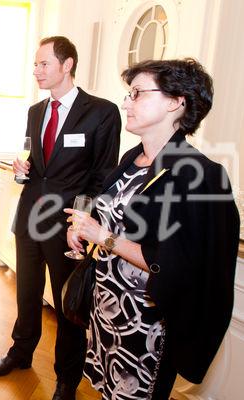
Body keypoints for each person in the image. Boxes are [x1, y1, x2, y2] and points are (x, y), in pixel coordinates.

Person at [65, 58, 240, 398]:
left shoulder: (198, 174)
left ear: (177, 102)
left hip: (147, 327)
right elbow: (115, 214)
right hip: (108, 309)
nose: (126, 102)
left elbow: (173, 264)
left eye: (138, 93)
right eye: (128, 94)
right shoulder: (133, 159)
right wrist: (87, 226)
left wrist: (102, 237)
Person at [0, 36, 121, 400]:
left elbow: (103, 175)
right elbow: (35, 168)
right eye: (35, 64)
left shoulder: (101, 112)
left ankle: (66, 378)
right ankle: (20, 353)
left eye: (43, 64)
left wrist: (82, 223)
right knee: (26, 293)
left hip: (68, 226)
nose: (36, 71)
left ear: (67, 65)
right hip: (29, 216)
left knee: (67, 306)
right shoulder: (35, 111)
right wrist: (20, 170)